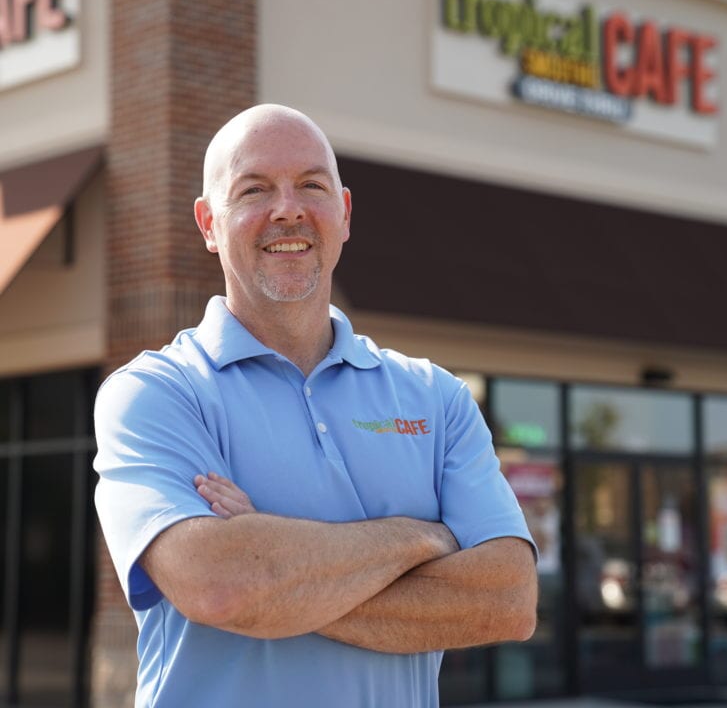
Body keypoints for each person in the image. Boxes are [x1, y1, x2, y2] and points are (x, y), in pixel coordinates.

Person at [94, 104, 538, 708]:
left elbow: (507, 603)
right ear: (208, 223)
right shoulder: (157, 394)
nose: (288, 209)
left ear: (344, 214)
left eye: (311, 185)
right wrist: (421, 539)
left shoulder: (436, 397)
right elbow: (223, 588)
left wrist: (274, 568)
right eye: (254, 189)